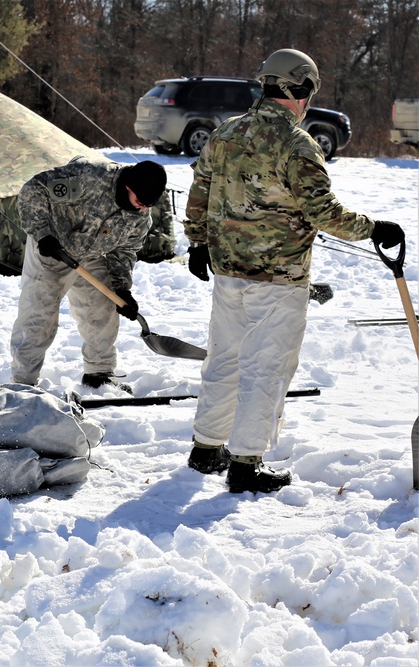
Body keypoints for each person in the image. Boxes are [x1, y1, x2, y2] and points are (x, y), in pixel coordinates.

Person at [183, 48, 405, 494]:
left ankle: (207, 447)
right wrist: (373, 227)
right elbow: (323, 211)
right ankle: (245, 463)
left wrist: (197, 242)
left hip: (228, 270)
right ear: (298, 89)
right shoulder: (295, 144)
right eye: (309, 92)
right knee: (266, 367)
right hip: (277, 279)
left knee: (224, 357)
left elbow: (200, 190)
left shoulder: (226, 132)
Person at [10, 158, 167, 394]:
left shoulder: (140, 216)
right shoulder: (89, 178)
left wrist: (122, 288)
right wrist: (43, 234)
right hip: (53, 247)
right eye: (140, 201)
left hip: (93, 253)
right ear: (128, 187)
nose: (143, 208)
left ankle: (99, 373)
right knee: (39, 313)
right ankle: (23, 382)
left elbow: (124, 250)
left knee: (102, 307)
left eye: (148, 204)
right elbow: (34, 190)